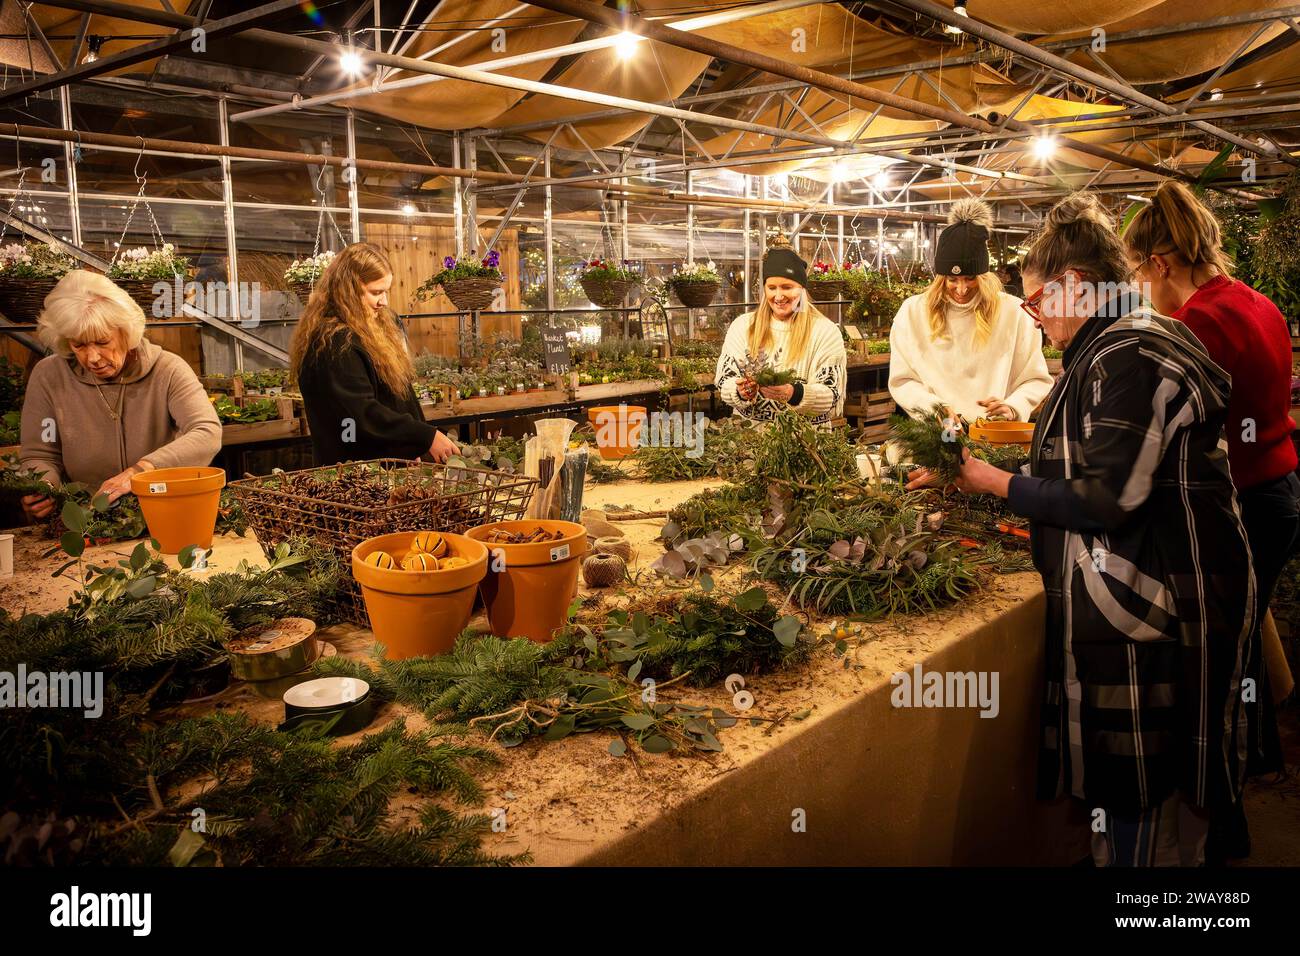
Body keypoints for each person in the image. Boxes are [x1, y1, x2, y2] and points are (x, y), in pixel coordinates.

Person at [929, 192, 1253, 867]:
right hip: (1150, 587)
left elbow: (1108, 497)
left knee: (1141, 784)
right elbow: (1087, 459)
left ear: (1074, 287)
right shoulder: (1116, 344)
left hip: (1148, 597)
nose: (1037, 317)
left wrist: (991, 482)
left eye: (1037, 302)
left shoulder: (1127, 352)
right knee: (1143, 790)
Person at [1123, 180, 1298, 861]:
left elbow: (1162, 429)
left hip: (1248, 505)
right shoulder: (1254, 300)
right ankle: (1256, 765)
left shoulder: (1199, 323)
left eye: (1139, 274)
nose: (1141, 289)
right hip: (1280, 490)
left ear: (1160, 264)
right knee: (1241, 650)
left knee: (1213, 671)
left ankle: (1225, 832)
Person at [19, 270, 222, 520]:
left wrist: (142, 470)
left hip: (160, 509)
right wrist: (45, 487)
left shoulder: (167, 370)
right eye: (79, 345)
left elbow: (206, 432)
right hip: (84, 519)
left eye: (102, 342)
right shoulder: (50, 377)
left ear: (126, 333)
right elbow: (41, 451)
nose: (92, 358)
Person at [292, 243, 458, 466]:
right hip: (354, 475)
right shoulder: (334, 343)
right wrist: (423, 436)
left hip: (384, 467)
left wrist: (410, 445)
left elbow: (394, 397)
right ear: (347, 291)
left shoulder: (369, 329)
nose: (384, 302)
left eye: (385, 291)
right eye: (376, 292)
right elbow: (359, 414)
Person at [889, 199, 1051, 423]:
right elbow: (902, 380)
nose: (961, 288)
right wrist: (933, 408)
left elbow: (1035, 378)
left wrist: (1014, 406)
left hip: (994, 435)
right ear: (940, 277)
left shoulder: (1014, 314)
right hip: (937, 433)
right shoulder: (913, 313)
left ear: (983, 275)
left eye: (970, 278)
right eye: (952, 279)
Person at [715, 234, 846, 427]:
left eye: (787, 287)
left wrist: (794, 394)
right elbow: (725, 381)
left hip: (804, 441)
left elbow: (831, 394)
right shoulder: (743, 326)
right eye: (772, 287)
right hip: (750, 442)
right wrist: (740, 391)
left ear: (802, 289)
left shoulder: (824, 331)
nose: (778, 296)